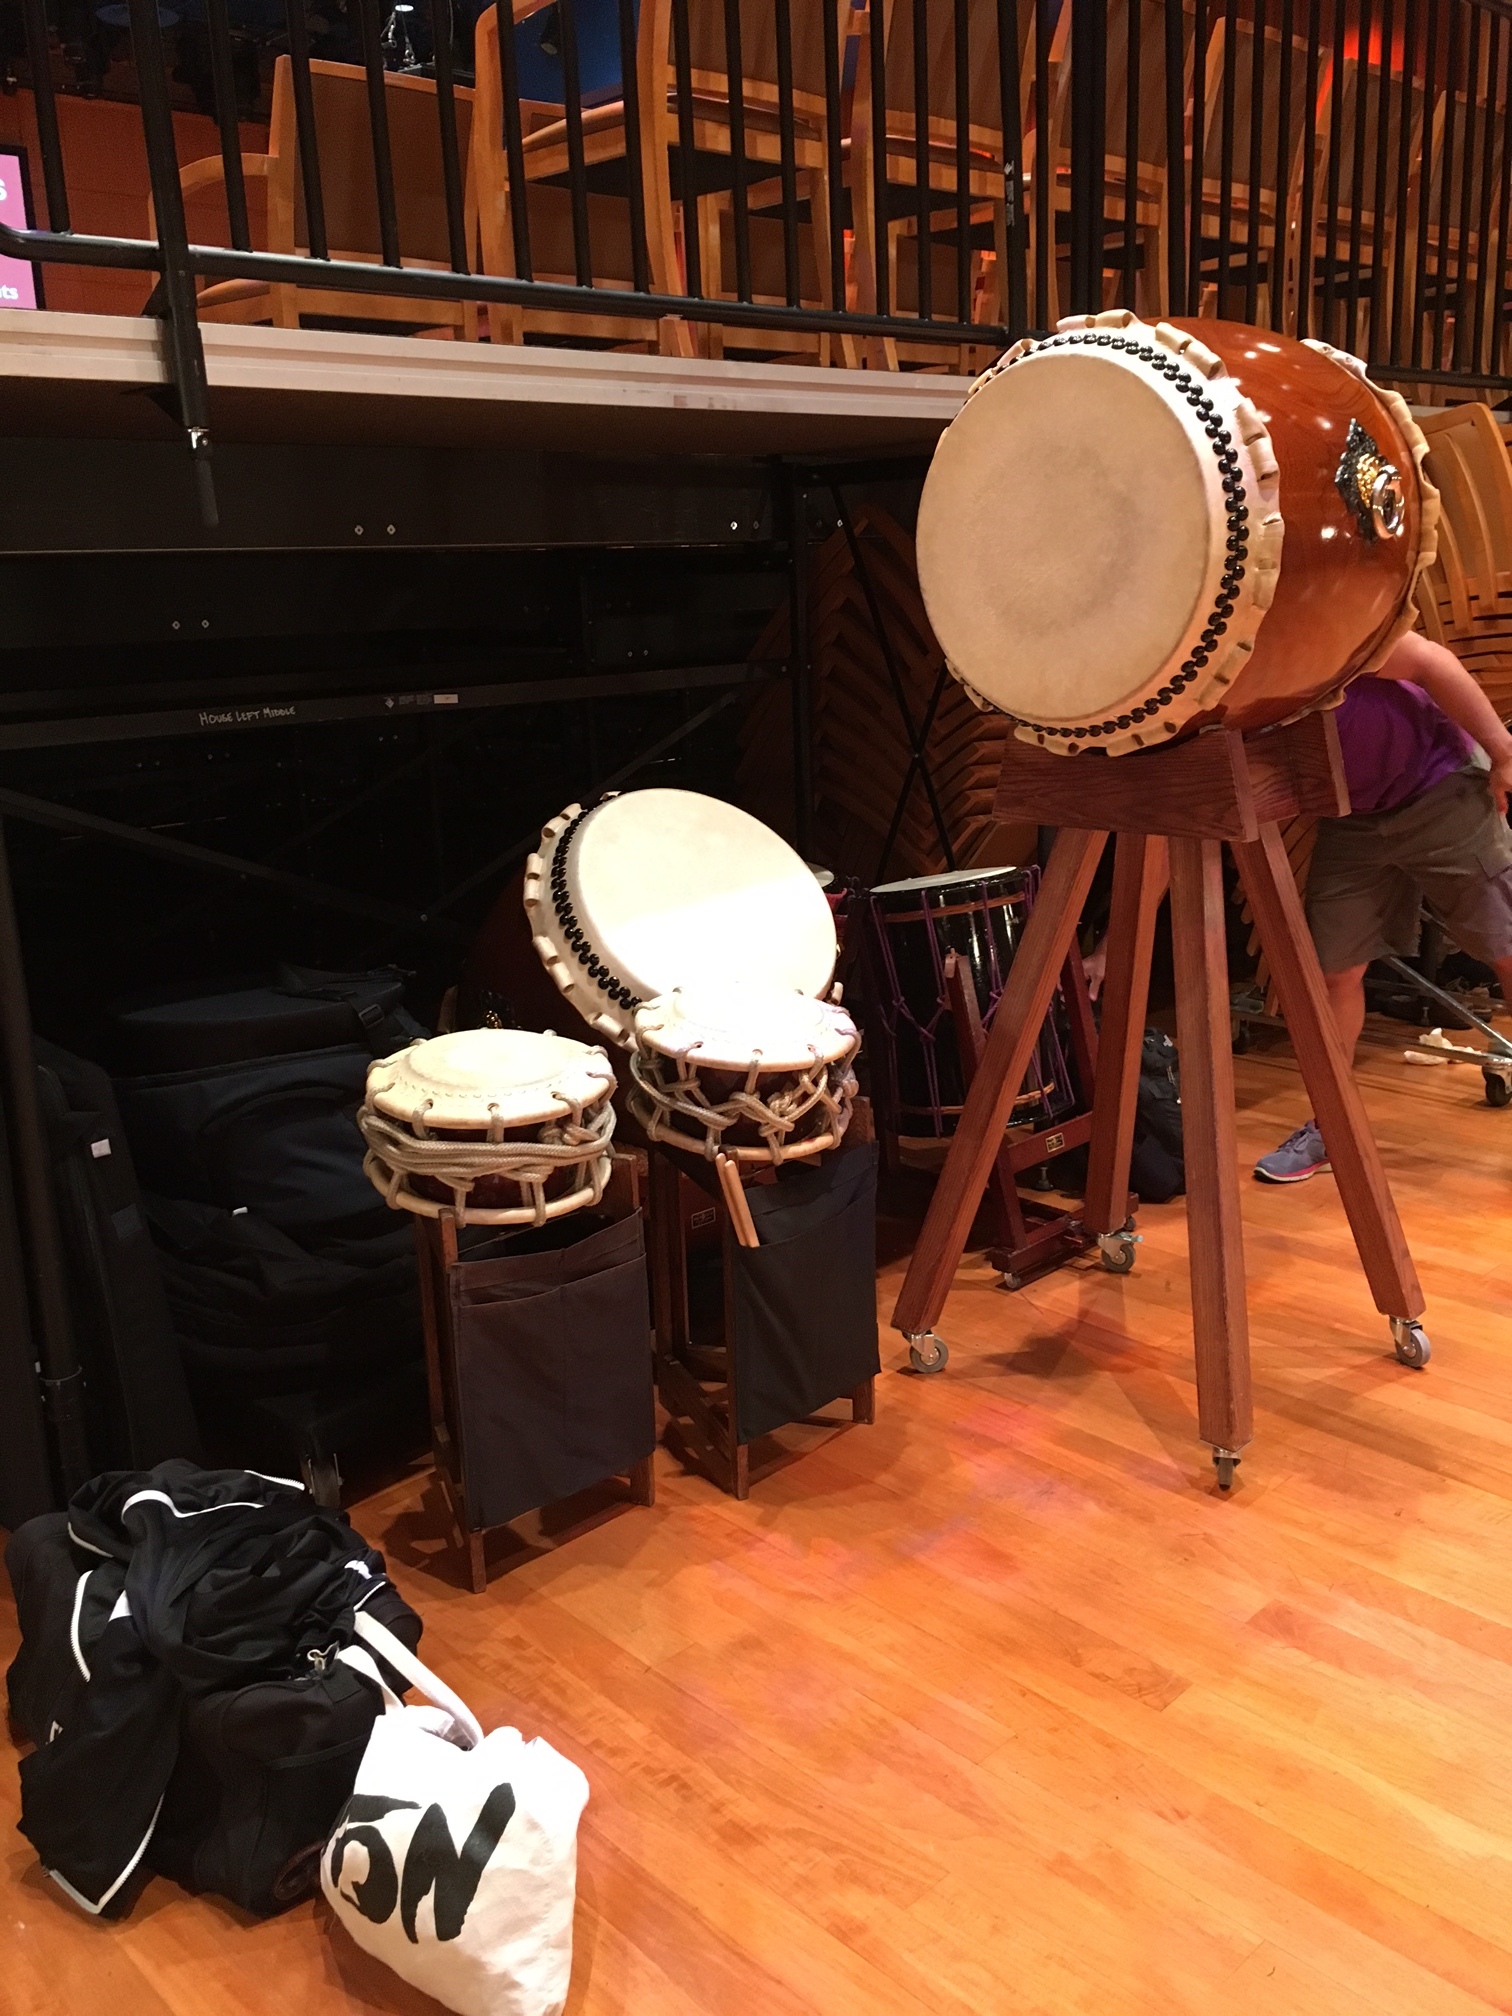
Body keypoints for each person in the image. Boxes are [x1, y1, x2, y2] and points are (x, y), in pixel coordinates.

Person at [1255, 629, 1512, 1182]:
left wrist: (1504, 751)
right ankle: (1331, 1128)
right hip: (1352, 818)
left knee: (1508, 949)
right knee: (1334, 973)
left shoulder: (1309, 619)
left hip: (1440, 787)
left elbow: (1428, 661)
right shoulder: (1212, 681)